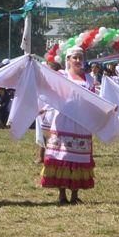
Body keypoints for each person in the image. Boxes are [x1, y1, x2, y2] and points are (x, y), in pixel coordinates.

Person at [40, 46, 98, 205]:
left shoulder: (89, 79)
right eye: (75, 58)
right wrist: (42, 106)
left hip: (82, 123)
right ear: (68, 60)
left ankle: (74, 194)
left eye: (80, 57)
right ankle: (62, 193)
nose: (78, 61)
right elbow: (48, 89)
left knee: (78, 157)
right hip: (64, 121)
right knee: (63, 156)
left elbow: (94, 100)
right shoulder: (61, 76)